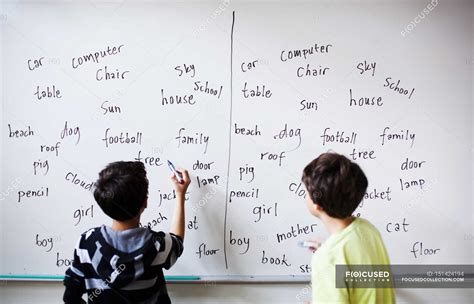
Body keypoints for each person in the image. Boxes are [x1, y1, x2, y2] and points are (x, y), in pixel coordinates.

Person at [63, 161, 190, 304]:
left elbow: (70, 296)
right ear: (145, 203)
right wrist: (180, 194)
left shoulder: (86, 243)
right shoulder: (158, 245)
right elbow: (177, 242)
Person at [302, 152, 395, 303]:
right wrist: (331, 252)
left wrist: (329, 256)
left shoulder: (327, 260)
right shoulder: (368, 230)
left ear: (316, 204)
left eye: (306, 191)